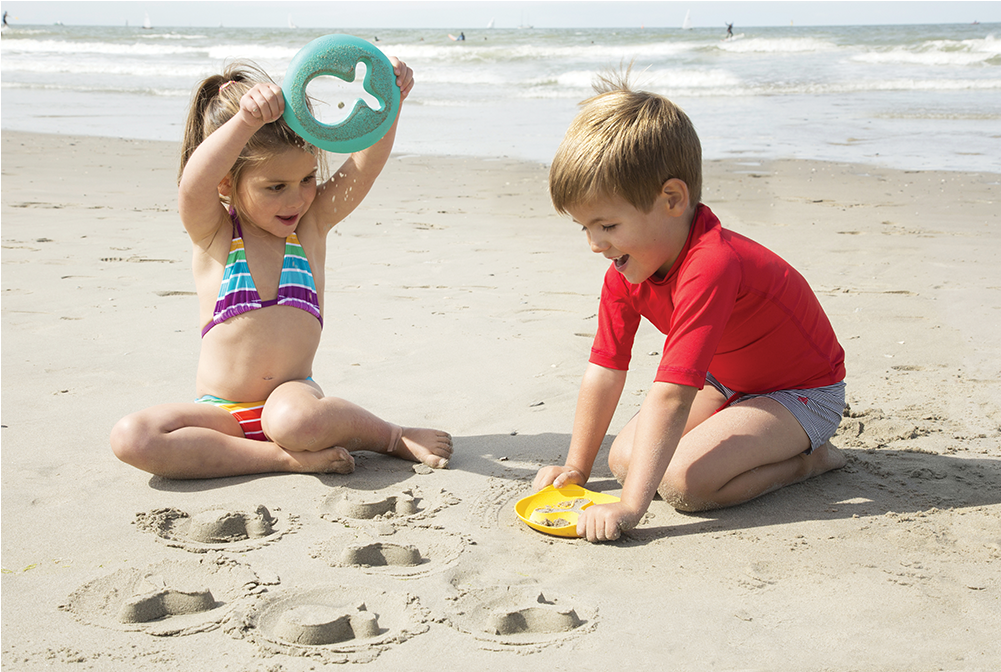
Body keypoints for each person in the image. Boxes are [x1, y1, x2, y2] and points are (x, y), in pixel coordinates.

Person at [533, 72, 846, 542]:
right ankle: (743, 441)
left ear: (672, 200)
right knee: (623, 459)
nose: (596, 244)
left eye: (608, 225)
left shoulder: (713, 264)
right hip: (726, 382)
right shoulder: (627, 270)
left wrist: (630, 507)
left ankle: (811, 461)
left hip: (801, 393)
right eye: (585, 228)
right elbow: (605, 369)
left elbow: (673, 392)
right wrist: (577, 466)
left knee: (682, 482)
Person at [110, 59, 452, 479]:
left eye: (307, 179)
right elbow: (191, 187)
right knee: (132, 437)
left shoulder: (310, 228)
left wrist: (390, 102)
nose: (297, 200)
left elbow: (365, 168)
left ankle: (392, 436)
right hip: (224, 419)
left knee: (294, 422)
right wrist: (244, 122)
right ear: (226, 184)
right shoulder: (215, 235)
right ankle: (281, 460)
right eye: (275, 187)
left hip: (297, 405)